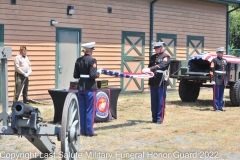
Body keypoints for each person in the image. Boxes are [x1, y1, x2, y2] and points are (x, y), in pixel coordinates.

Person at [73, 42, 102, 136]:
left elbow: (75, 75)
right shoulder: (92, 60)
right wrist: (98, 73)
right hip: (90, 88)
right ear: (89, 51)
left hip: (81, 87)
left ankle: (82, 130)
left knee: (82, 109)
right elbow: (92, 75)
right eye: (92, 50)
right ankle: (89, 131)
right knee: (90, 110)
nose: (92, 52)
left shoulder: (78, 60)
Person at [142, 42, 170, 124]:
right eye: (155, 48)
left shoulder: (166, 56)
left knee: (160, 101)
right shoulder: (153, 57)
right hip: (153, 80)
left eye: (157, 48)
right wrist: (146, 70)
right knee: (153, 101)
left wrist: (150, 69)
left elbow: (162, 65)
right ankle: (154, 118)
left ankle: (159, 118)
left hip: (161, 81)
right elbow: (150, 66)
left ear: (162, 47)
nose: (156, 50)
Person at [210, 47, 228, 111]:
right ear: (217, 53)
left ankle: (220, 107)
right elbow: (212, 70)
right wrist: (212, 79)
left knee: (221, 94)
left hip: (222, 80)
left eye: (222, 52)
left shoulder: (225, 61)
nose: (221, 53)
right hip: (217, 79)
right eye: (220, 52)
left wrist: (226, 80)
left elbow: (226, 71)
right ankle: (216, 107)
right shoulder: (214, 60)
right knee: (216, 94)